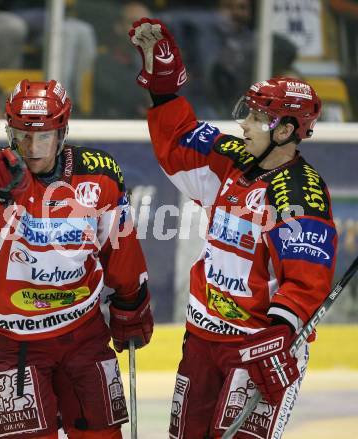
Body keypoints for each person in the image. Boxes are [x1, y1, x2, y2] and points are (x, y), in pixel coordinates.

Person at [129, 18, 337, 439]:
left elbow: (307, 280)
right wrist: (163, 86)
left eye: (257, 117)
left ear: (285, 130)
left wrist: (279, 339)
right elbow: (180, 141)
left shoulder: (300, 192)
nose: (243, 123)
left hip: (258, 350)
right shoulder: (232, 158)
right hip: (204, 341)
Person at [0, 79, 153, 439]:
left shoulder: (100, 172)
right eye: (22, 136)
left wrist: (132, 302)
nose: (32, 148)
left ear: (62, 132)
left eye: (44, 136)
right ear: (9, 131)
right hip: (12, 341)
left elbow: (119, 244)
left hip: (83, 334)